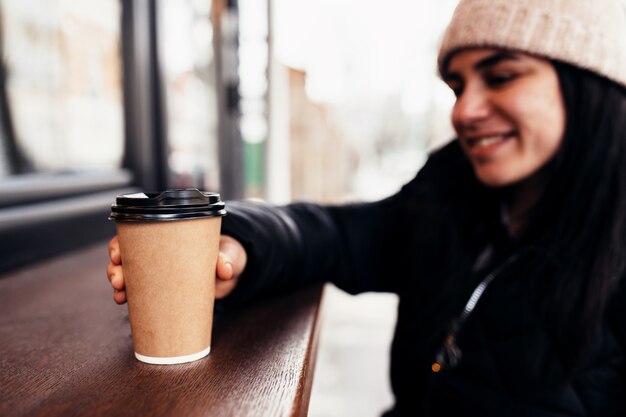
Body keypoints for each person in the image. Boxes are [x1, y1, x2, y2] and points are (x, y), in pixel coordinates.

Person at [107, 0, 626, 415]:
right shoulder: (449, 195)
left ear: (592, 83)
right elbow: (334, 232)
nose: (465, 110)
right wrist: (236, 242)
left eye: (502, 76)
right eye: (457, 85)